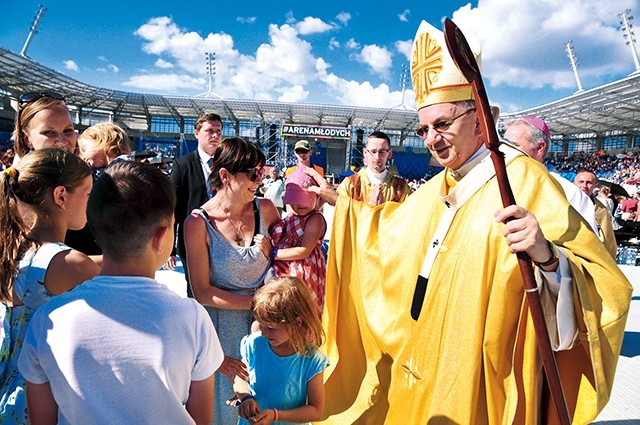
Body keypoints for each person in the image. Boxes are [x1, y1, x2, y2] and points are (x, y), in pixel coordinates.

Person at [306, 20, 631, 424]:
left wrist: (546, 256)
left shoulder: (524, 180)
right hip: (420, 360)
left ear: (480, 117)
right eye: (424, 129)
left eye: (443, 124)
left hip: (483, 372)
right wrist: (340, 203)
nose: (432, 139)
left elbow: (604, 284)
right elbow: (384, 236)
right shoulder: (432, 189)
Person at [17, 161, 224, 424]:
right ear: (162, 236)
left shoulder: (48, 319)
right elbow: (200, 419)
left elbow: (41, 420)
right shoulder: (192, 318)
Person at [183, 137, 280, 425]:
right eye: (252, 173)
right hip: (220, 335)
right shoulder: (197, 223)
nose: (258, 179)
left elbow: (289, 262)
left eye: (261, 172)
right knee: (224, 411)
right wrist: (256, 303)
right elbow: (201, 292)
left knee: (268, 406)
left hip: (267, 330)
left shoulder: (267, 209)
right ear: (225, 175)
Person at [0, 148, 99, 424]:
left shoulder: (13, 250)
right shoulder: (68, 263)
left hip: (12, 399)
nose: (89, 203)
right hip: (46, 401)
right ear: (61, 196)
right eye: (87, 193)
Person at [232, 276, 328, 425]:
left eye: (271, 328)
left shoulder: (311, 359)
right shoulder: (254, 344)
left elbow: (316, 410)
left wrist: (276, 415)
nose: (264, 332)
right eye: (260, 324)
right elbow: (241, 378)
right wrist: (245, 398)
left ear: (297, 322)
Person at [503, 116, 599, 234]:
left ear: (539, 148)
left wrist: (544, 248)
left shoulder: (570, 194)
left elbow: (588, 247)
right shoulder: (498, 183)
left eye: (513, 146)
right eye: (503, 145)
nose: (504, 151)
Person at [167, 112, 223, 295]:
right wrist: (170, 249)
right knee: (195, 291)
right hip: (192, 239)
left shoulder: (227, 164)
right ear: (197, 133)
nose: (215, 136)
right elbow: (173, 207)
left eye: (219, 132)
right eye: (210, 131)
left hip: (222, 238)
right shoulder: (183, 165)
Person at [66, 122, 133, 255]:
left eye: (84, 149)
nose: (81, 155)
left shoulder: (122, 169)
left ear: (105, 143)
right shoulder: (99, 171)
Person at [269, 166, 327, 315]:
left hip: (306, 274)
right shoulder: (290, 218)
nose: (298, 205)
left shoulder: (315, 219)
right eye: (294, 200)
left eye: (304, 200)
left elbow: (304, 251)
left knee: (305, 312)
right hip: (286, 272)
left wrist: (272, 253)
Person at [335, 131, 410, 206]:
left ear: (389, 154)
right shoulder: (350, 184)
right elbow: (341, 212)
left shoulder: (401, 188)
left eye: (382, 152)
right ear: (365, 153)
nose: (377, 157)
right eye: (373, 152)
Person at [12, 91, 77, 166]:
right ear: (27, 139)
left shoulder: (84, 173)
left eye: (67, 130)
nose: (62, 142)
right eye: (49, 132)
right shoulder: (14, 176)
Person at [574, 170, 617, 258]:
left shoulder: (600, 210)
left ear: (595, 185)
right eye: (581, 182)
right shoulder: (563, 203)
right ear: (574, 183)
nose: (584, 186)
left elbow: (608, 238)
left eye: (589, 182)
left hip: (590, 253)